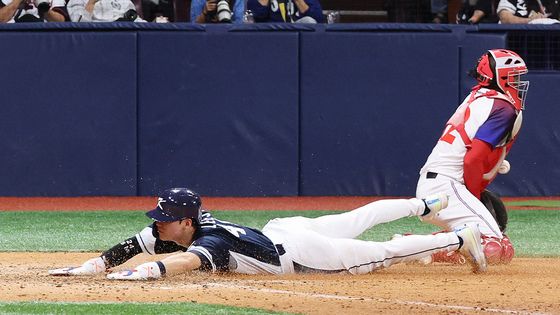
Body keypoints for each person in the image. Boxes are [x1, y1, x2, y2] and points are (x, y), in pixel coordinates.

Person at [49, 187, 487, 280]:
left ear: (185, 221)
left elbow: (186, 261)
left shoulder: (208, 240)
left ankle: (458, 237)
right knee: (359, 216)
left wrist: (153, 270)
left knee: (379, 252)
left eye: (164, 217)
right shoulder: (183, 227)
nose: (156, 223)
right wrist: (94, 266)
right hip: (282, 230)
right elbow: (131, 245)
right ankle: (426, 205)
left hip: (302, 252)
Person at [414, 49, 529, 265]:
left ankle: (425, 247)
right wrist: (474, 197)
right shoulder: (503, 107)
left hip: (437, 184)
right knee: (495, 248)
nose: (518, 82)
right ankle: (408, 249)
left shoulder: (477, 97)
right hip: (447, 186)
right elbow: (472, 160)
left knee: (498, 249)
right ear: (499, 78)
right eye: (514, 76)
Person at [247, 0, 323, 24]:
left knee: (309, 21)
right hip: (273, 32)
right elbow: (257, 15)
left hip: (297, 30)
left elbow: (317, 19)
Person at [67, 0, 144, 22]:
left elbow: (135, 20)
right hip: (100, 38)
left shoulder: (124, 1)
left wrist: (154, 25)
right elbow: (79, 27)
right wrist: (91, 3)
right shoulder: (76, 1)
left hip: (127, 36)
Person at [0, 0, 68, 22]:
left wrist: (44, 9)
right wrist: (17, 1)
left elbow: (60, 21)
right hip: (13, 33)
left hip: (43, 33)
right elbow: (1, 19)